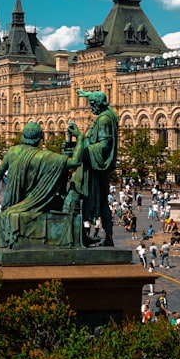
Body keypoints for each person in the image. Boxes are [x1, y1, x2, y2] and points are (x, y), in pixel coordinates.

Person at [0, 122, 77, 249]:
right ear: (39, 139)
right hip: (36, 202)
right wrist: (80, 139)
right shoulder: (43, 156)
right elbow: (74, 162)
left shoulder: (12, 152)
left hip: (13, 202)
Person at [67, 90, 118, 246]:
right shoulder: (107, 116)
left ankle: (76, 236)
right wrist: (75, 146)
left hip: (92, 166)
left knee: (73, 194)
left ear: (98, 104)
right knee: (102, 201)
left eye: (92, 105)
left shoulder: (104, 120)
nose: (91, 108)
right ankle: (107, 237)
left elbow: (104, 145)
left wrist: (81, 141)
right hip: (94, 164)